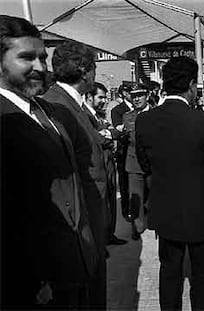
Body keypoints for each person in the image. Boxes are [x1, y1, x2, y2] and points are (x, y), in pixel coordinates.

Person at [0, 15, 98, 309]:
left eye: (43, 57)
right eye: (27, 58)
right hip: (32, 283)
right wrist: (29, 278)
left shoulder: (45, 110)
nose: (41, 68)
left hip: (72, 265)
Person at [135, 56, 204, 311]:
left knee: (169, 271)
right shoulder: (203, 120)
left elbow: (145, 165)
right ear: (191, 84)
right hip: (201, 212)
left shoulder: (144, 120)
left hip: (165, 210)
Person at [42, 41, 108, 309]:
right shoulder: (59, 106)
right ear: (84, 70)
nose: (95, 75)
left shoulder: (71, 103)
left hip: (92, 217)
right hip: (83, 222)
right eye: (94, 68)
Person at [85, 82, 127, 245]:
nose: (104, 101)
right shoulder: (85, 115)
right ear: (89, 97)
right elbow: (100, 138)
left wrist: (109, 133)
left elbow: (108, 133)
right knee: (102, 204)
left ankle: (109, 235)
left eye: (105, 97)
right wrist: (111, 134)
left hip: (108, 162)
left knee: (110, 200)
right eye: (100, 97)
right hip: (99, 163)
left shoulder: (98, 115)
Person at [123, 83, 151, 239]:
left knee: (157, 195)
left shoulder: (156, 114)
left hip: (153, 162)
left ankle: (158, 223)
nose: (137, 99)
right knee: (135, 198)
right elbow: (130, 138)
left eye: (140, 95)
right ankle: (137, 227)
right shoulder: (128, 116)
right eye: (134, 96)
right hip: (134, 162)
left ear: (147, 96)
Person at [111, 83, 135, 221]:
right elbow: (119, 130)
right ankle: (127, 211)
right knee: (125, 183)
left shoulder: (144, 107)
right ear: (125, 94)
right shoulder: (117, 110)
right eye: (132, 93)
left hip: (139, 152)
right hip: (124, 151)